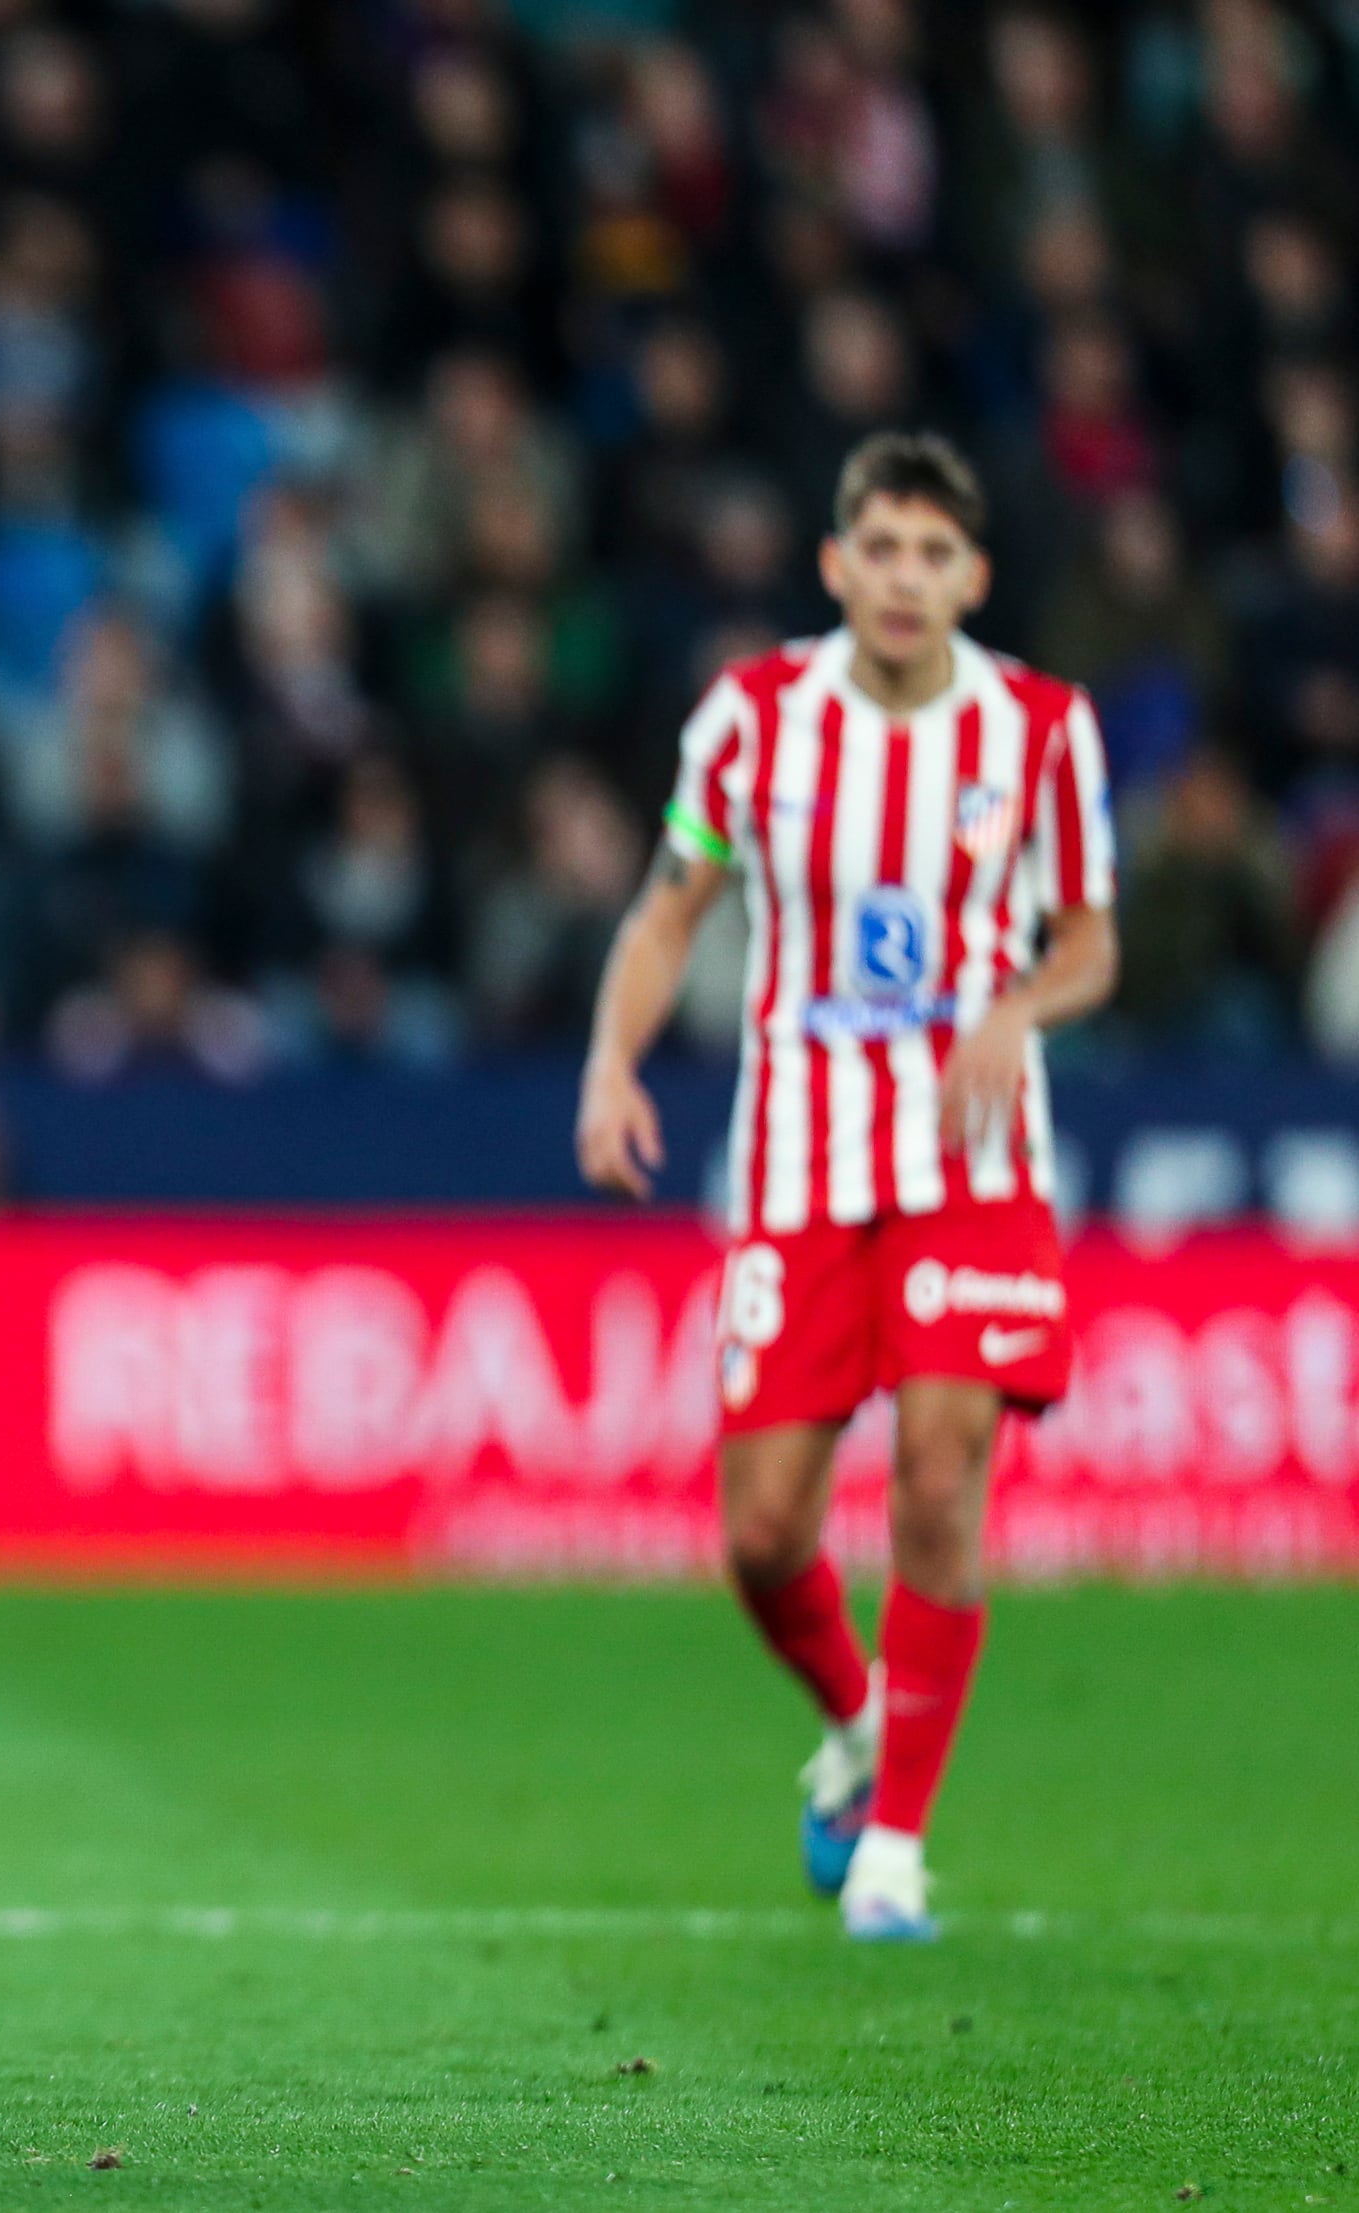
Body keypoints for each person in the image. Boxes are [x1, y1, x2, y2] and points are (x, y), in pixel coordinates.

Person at [573, 432, 1118, 1943]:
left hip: (969, 1160)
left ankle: (891, 1849)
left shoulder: (1037, 728)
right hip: (796, 1163)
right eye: (877, 548)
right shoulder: (748, 723)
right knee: (757, 1535)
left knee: (940, 1476)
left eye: (932, 554)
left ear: (972, 577)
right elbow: (664, 909)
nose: (902, 578)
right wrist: (609, 1065)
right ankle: (862, 1718)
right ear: (832, 564)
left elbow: (1087, 938)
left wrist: (1014, 1008)